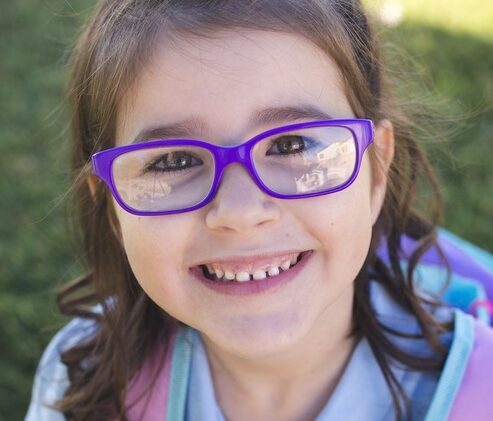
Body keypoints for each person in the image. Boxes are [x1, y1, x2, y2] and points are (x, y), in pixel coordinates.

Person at [25, 1, 493, 420]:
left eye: (292, 144)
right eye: (175, 160)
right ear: (111, 206)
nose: (240, 212)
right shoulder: (83, 375)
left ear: (375, 173)